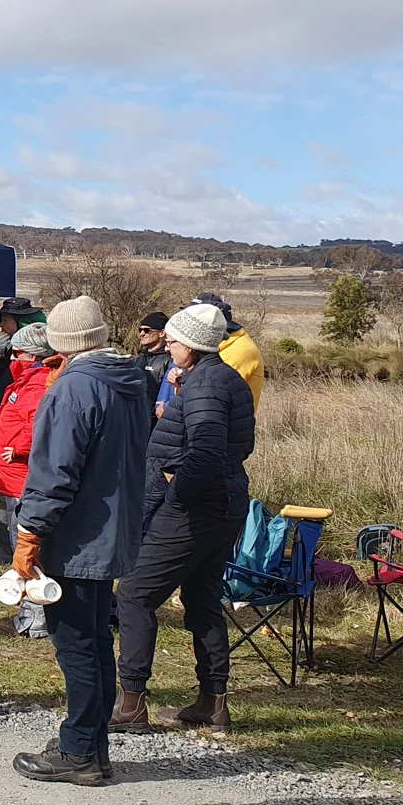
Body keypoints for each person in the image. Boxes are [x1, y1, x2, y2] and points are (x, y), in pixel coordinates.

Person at [6, 298, 148, 786]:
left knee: (75, 644)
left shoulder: (72, 388)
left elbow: (53, 472)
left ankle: (80, 751)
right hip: (112, 529)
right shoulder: (128, 379)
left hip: (77, 535)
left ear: (61, 341)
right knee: (95, 640)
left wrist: (30, 534)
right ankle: (91, 745)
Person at [112, 302, 256, 735]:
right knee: (202, 597)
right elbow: (239, 445)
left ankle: (131, 702)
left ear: (191, 344)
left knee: (135, 594)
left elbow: (207, 452)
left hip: (195, 509)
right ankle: (212, 703)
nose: (168, 346)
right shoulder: (220, 379)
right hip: (224, 503)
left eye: (173, 340)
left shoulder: (207, 385)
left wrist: (176, 497)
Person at [0, 321, 57, 640]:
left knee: (26, 549)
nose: (12, 358)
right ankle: (34, 613)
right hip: (12, 477)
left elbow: (39, 425)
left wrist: (18, 449)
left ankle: (34, 619)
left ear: (34, 355)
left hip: (22, 479)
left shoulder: (39, 384)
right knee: (22, 545)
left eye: (18, 353)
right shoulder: (26, 380)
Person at [192, 292, 265, 410]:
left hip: (221, 418)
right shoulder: (212, 344)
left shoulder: (241, 350)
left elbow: (212, 392)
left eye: (194, 318)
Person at [0, 296, 47, 409]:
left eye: (5, 320)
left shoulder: (39, 350)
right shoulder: (6, 346)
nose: (1, 325)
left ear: (20, 322)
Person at [136, 311, 171, 421]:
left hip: (156, 421)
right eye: (140, 330)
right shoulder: (140, 358)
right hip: (137, 417)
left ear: (162, 333)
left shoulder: (170, 360)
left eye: (147, 330)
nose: (142, 334)